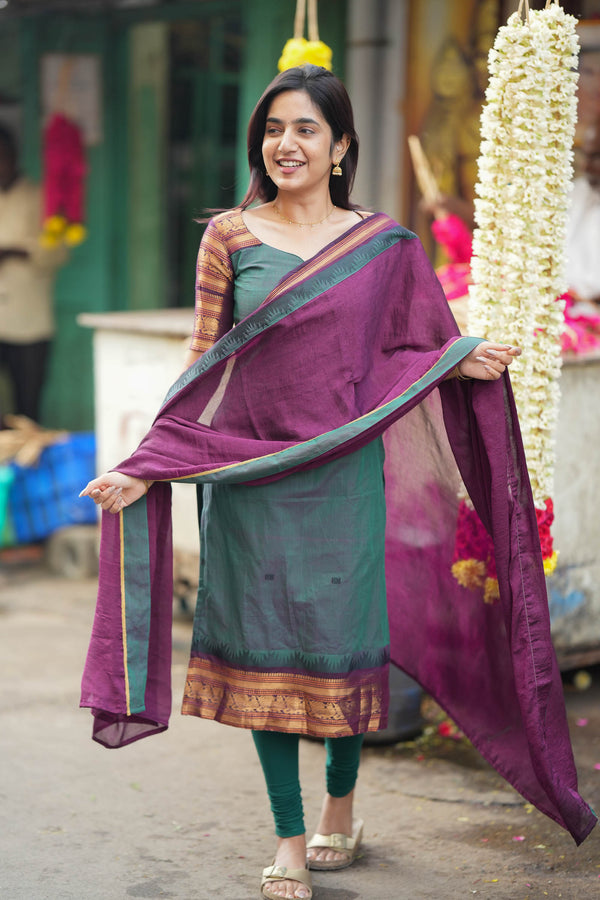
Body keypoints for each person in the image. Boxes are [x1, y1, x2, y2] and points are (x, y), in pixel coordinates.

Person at [80, 66, 596, 900]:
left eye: (307, 129)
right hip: (250, 477)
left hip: (343, 476)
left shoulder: (384, 246)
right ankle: (289, 837)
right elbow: (202, 363)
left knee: (342, 647)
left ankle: (340, 812)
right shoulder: (231, 237)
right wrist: (151, 461)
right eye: (274, 128)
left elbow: (411, 346)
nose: (287, 143)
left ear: (342, 145)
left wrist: (462, 359)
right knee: (261, 652)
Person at [0, 125, 68, 423]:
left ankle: (26, 465)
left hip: (29, 321)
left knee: (28, 407)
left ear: (14, 157)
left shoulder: (41, 198)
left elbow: (57, 251)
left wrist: (15, 251)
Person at [565, 119, 600, 305]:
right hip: (566, 308)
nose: (586, 167)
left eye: (597, 157)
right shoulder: (576, 191)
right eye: (585, 155)